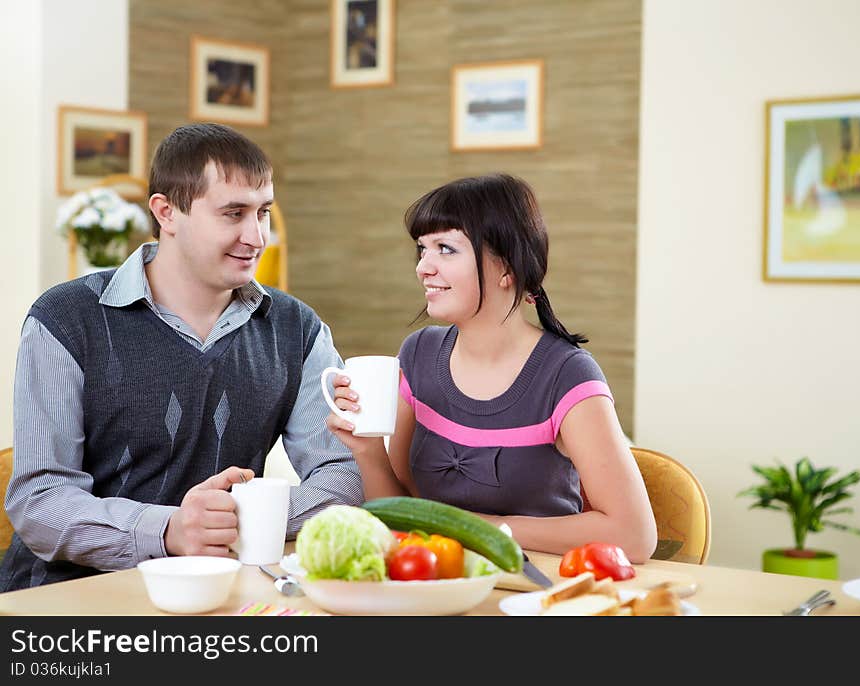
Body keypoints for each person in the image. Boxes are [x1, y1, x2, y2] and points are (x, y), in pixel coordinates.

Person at [1, 123, 362, 591]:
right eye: (233, 213)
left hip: (220, 590)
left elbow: (344, 471)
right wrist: (169, 530)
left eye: (264, 212)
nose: (257, 237)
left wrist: (239, 520)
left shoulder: (297, 328)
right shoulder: (65, 320)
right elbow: (39, 499)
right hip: (71, 595)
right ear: (167, 212)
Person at [326, 173, 657, 561]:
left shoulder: (567, 376)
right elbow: (400, 515)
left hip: (534, 590)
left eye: (446, 249)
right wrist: (367, 451)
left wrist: (470, 526)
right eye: (422, 249)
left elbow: (633, 535)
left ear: (507, 269)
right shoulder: (418, 355)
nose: (423, 268)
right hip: (435, 586)